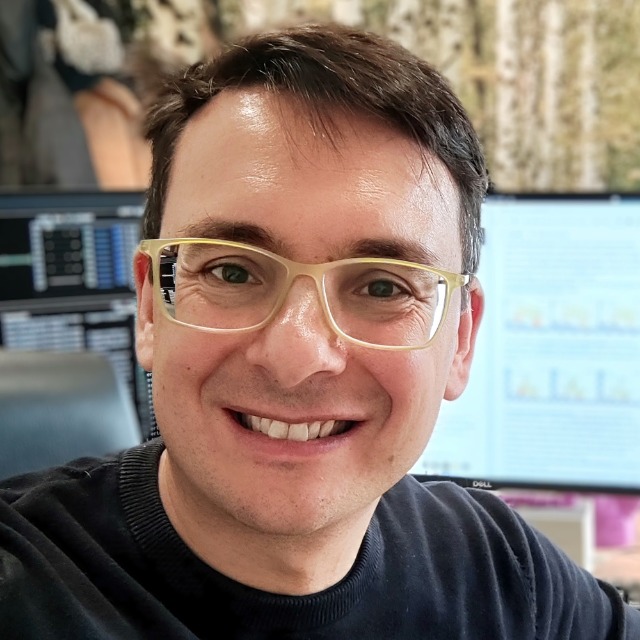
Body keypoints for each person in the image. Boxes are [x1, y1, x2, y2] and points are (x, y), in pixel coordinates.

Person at [0, 22, 638, 639]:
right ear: (149, 305)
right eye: (231, 271)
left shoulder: (506, 577)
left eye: (383, 286)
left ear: (461, 339)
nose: (296, 355)